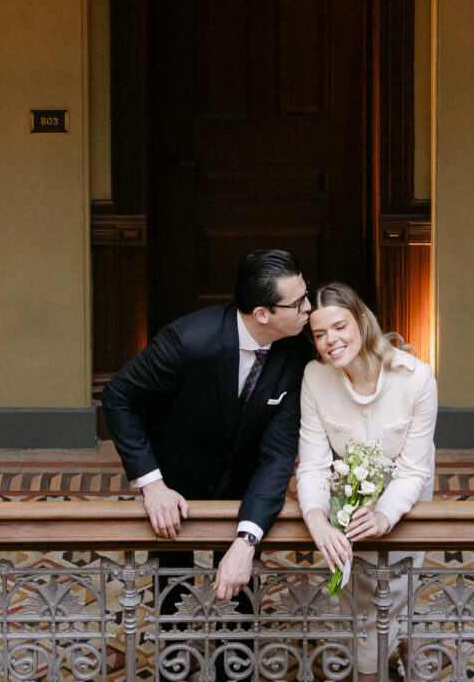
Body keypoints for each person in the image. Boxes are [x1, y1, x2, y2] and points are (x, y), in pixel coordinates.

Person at [102, 247, 315, 603]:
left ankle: (237, 656)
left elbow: (278, 454)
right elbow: (118, 397)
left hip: (247, 488)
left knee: (240, 593)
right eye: (298, 304)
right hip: (176, 484)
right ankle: (171, 653)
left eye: (306, 293)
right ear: (262, 313)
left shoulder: (296, 355)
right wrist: (153, 485)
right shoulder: (188, 341)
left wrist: (248, 539)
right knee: (171, 586)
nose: (309, 307)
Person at [295, 282, 438, 682]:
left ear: (361, 321)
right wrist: (318, 519)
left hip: (405, 501)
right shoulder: (315, 378)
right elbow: (314, 465)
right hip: (346, 502)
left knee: (398, 591)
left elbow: (414, 469)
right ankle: (402, 654)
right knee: (362, 603)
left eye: (339, 326)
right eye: (319, 334)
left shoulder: (417, 378)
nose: (330, 341)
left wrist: (385, 512)